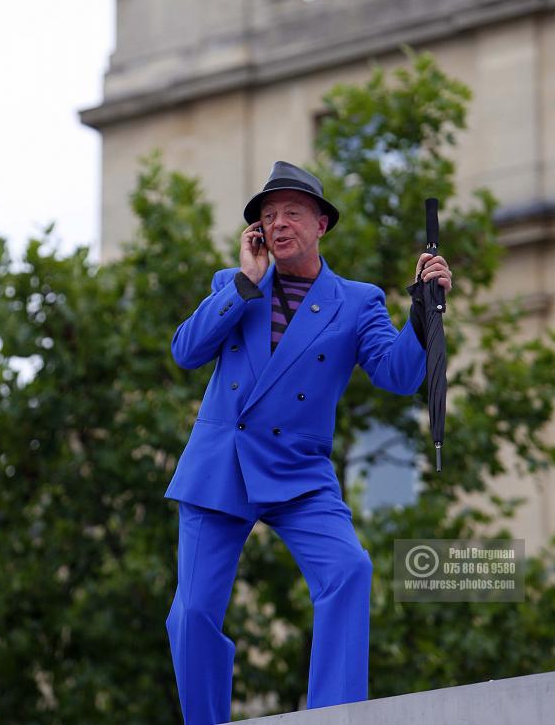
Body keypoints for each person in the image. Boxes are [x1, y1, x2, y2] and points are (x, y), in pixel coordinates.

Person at [164, 161, 452, 725]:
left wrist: (422, 311)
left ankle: (332, 715)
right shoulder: (234, 284)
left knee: (349, 569)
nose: (278, 224)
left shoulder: (357, 300)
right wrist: (246, 283)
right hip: (222, 465)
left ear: (321, 224)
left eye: (292, 212)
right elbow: (185, 352)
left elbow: (397, 375)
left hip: (299, 471)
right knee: (191, 613)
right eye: (268, 216)